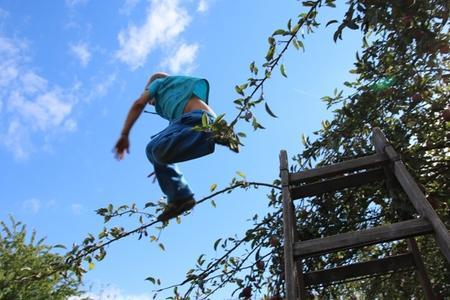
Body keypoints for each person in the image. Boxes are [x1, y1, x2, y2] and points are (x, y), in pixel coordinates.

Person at [114, 73, 237, 222]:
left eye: (149, 97)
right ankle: (181, 197)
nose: (150, 103)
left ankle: (211, 134)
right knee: (155, 151)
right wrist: (162, 163)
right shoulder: (176, 97)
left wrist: (124, 134)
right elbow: (172, 141)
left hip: (197, 120)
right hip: (200, 120)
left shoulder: (158, 83)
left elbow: (138, 104)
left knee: (152, 148)